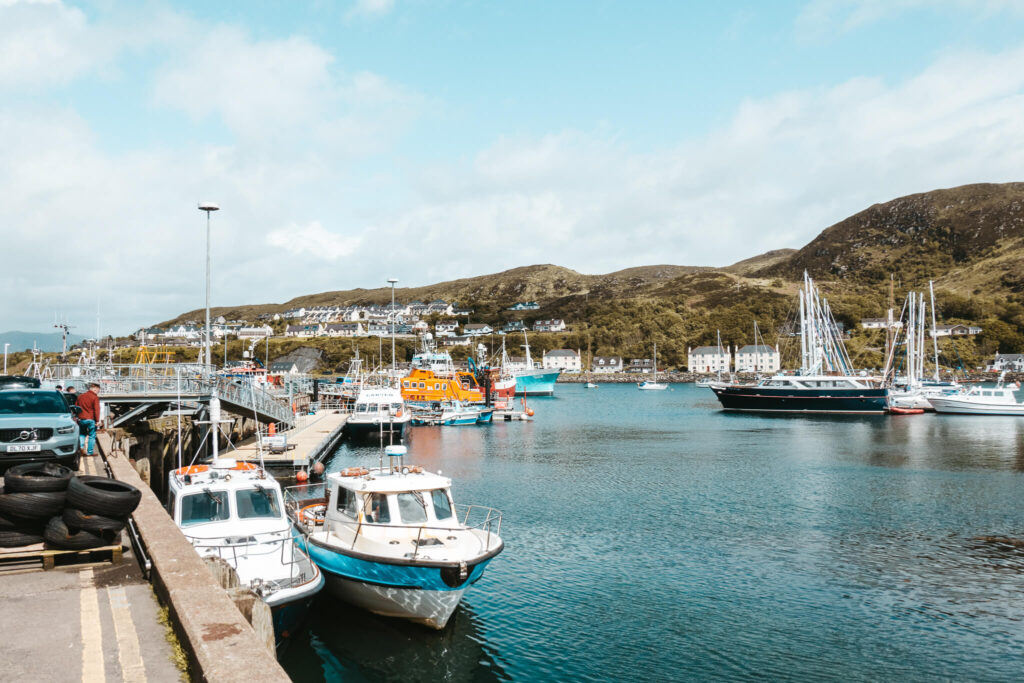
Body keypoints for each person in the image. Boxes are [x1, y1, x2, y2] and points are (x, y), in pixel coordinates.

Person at [76, 383, 102, 456]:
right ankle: (89, 452)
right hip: (91, 419)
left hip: (81, 419)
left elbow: (76, 407)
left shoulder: (80, 396)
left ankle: (81, 448)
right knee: (92, 435)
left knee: (82, 434)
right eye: (98, 390)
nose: (98, 392)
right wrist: (97, 421)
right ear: (95, 389)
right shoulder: (94, 397)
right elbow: (97, 410)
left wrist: (78, 416)